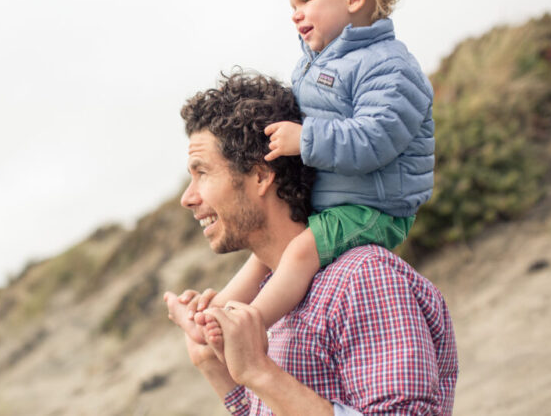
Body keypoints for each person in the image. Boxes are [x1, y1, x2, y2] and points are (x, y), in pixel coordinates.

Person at [167, 0, 435, 354]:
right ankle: (214, 313)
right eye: (292, 4)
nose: (295, 13)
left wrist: (305, 138)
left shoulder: (390, 66)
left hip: (375, 205)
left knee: (300, 252)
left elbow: (376, 139)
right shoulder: (315, 64)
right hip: (338, 197)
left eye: (306, 0)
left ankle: (253, 324)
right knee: (265, 259)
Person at [164, 71, 456, 414]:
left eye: (202, 172)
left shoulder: (363, 278)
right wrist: (213, 365)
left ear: (260, 175)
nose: (187, 197)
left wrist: (261, 372)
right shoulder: (270, 295)